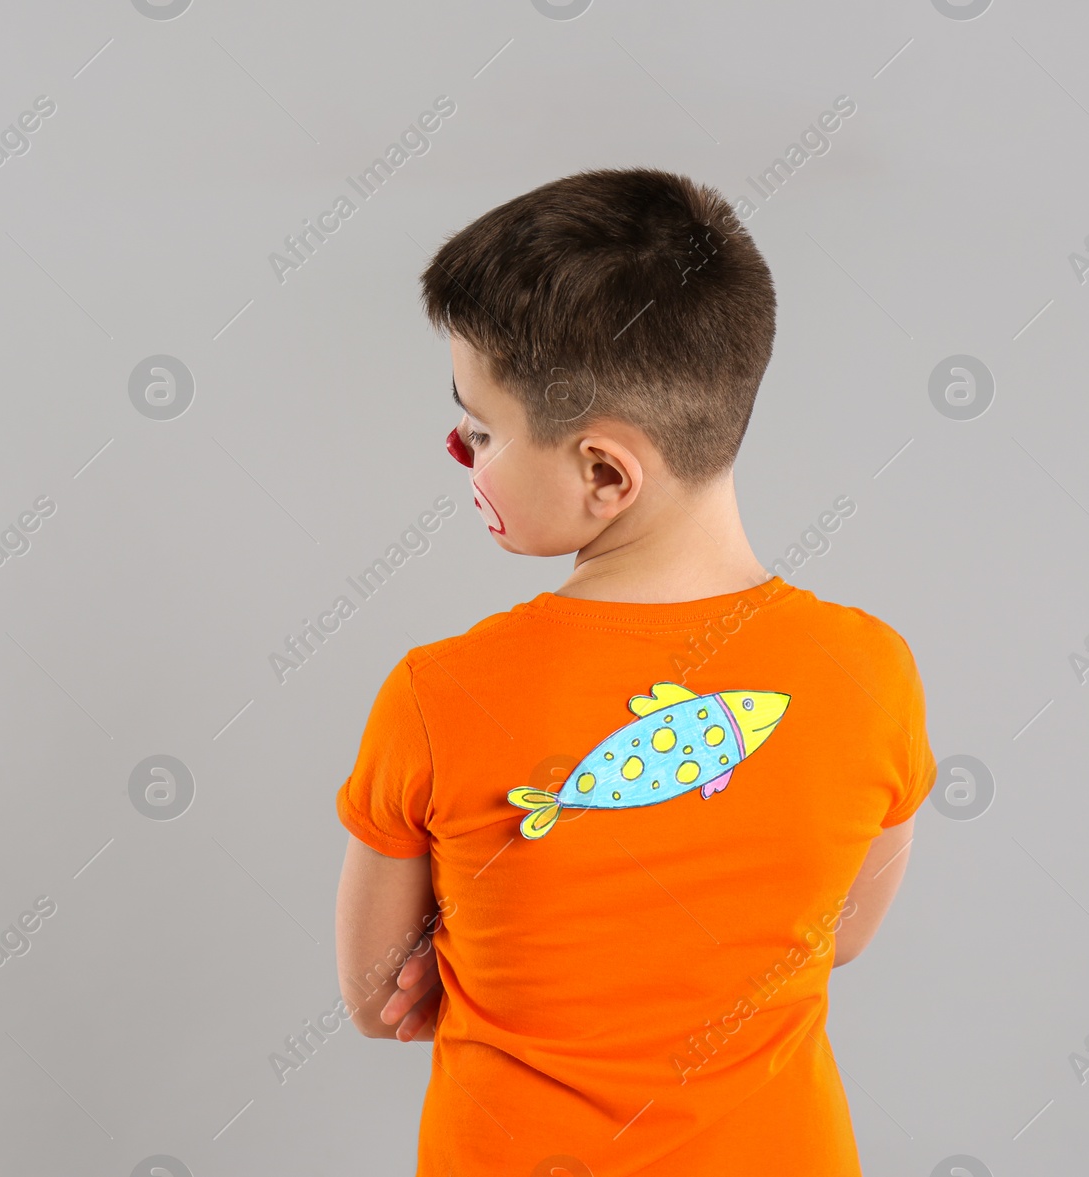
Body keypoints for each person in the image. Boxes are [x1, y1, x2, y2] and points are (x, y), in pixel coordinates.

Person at [333, 168, 936, 1175]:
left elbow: (370, 995)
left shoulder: (436, 695)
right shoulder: (871, 671)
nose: (462, 456)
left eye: (476, 433)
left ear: (604, 473)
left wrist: (482, 955)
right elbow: (841, 935)